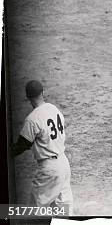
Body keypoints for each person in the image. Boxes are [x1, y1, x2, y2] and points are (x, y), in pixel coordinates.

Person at [11, 80, 73, 215]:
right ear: (42, 93)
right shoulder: (53, 109)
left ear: (27, 97)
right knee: (62, 210)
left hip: (49, 169)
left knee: (34, 210)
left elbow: (22, 145)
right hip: (63, 163)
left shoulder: (32, 119)